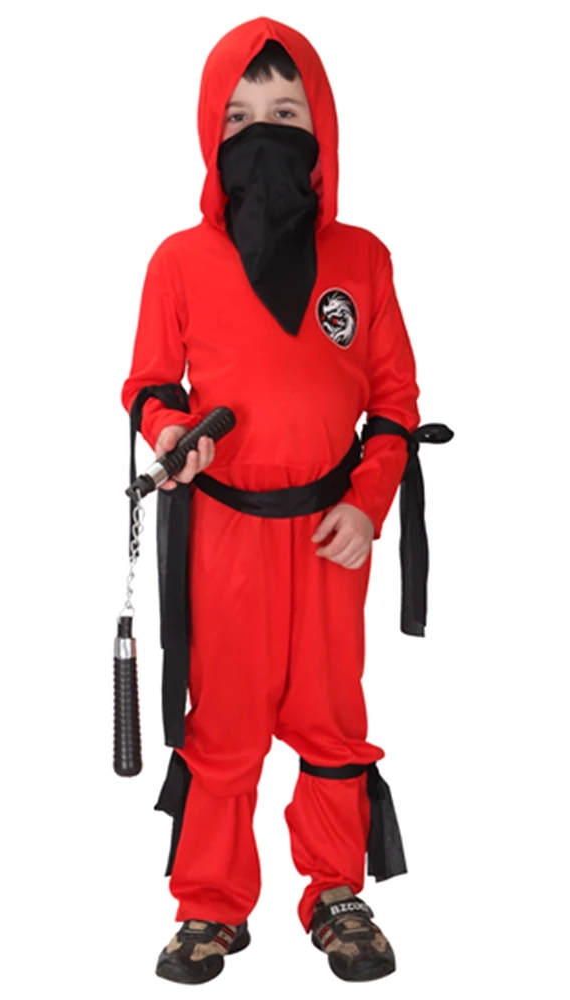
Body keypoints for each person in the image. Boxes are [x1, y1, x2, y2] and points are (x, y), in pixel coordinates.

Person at [120, 16, 450, 986]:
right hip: (224, 532)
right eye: (240, 116)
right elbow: (148, 384)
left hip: (330, 533)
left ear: (322, 129)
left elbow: (394, 402)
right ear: (209, 134)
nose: (263, 131)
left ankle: (336, 889)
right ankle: (210, 904)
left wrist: (369, 501)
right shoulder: (179, 262)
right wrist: (171, 434)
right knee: (223, 720)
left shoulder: (363, 259)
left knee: (328, 712)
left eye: (286, 112)